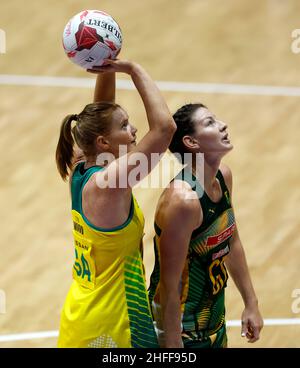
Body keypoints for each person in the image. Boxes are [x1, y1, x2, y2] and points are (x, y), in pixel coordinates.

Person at [55, 59, 176, 348]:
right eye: (124, 126)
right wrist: (132, 70)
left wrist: (106, 63)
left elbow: (101, 113)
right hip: (113, 327)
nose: (134, 130)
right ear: (104, 143)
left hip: (83, 315)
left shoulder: (81, 166)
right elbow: (164, 129)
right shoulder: (108, 184)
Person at [148, 103, 263, 348]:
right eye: (210, 123)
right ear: (191, 142)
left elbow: (231, 240)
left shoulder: (223, 175)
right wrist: (172, 344)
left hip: (213, 319)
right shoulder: (183, 202)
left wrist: (251, 303)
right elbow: (169, 284)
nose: (223, 124)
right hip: (182, 330)